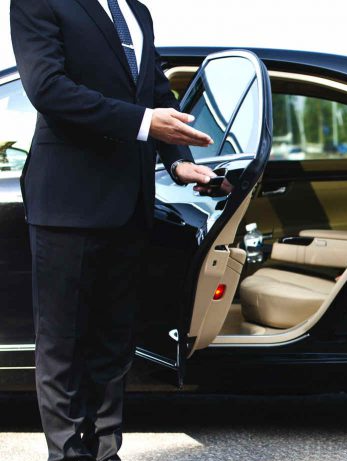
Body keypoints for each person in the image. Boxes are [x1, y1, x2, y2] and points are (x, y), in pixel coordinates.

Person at [10, 1, 216, 460]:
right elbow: (48, 88)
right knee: (63, 342)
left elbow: (155, 91)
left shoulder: (137, 11)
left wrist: (179, 160)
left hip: (131, 200)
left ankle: (106, 451)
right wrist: (144, 123)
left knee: (113, 343)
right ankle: (66, 454)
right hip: (68, 199)